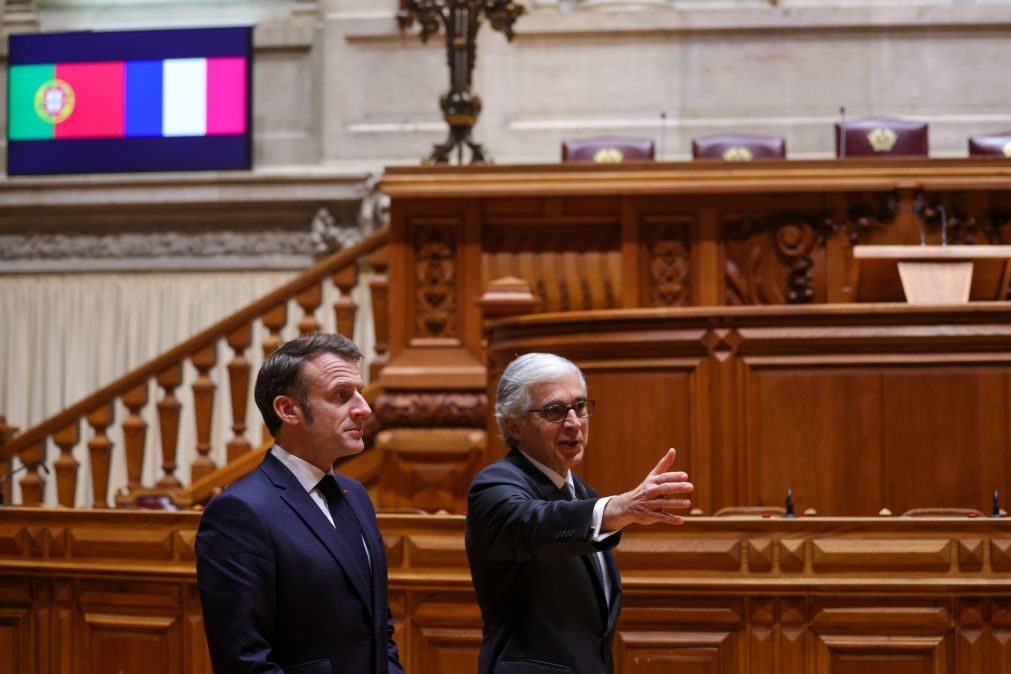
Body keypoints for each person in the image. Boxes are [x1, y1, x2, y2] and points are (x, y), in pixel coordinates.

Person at [466, 352, 694, 674]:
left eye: (580, 407)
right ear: (514, 426)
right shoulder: (494, 485)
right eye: (554, 411)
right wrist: (617, 508)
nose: (573, 423)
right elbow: (534, 524)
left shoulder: (583, 494)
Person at [196, 332, 404, 674]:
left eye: (360, 393)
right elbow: (244, 664)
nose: (364, 409)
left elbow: (379, 628)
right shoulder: (239, 512)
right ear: (288, 409)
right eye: (341, 395)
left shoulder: (357, 496)